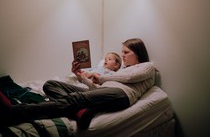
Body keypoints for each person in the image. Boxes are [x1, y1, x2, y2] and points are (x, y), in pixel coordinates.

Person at [0, 38, 156, 130]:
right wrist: (79, 75)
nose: (123, 56)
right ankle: (80, 112)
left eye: (126, 52)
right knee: (51, 85)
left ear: (138, 52)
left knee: (74, 99)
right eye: (121, 52)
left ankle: (16, 112)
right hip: (108, 90)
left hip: (122, 95)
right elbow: (96, 89)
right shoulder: (119, 73)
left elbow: (128, 79)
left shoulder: (147, 67)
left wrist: (101, 78)